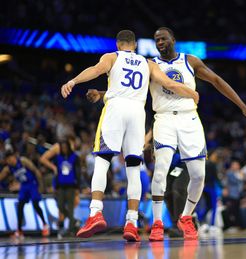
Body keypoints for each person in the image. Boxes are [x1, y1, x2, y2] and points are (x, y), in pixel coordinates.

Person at [86, 27, 246, 241]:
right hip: (164, 118)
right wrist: (102, 94)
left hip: (189, 118)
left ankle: (186, 216)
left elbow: (216, 81)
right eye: (156, 39)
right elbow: (130, 89)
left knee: (199, 175)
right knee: (160, 170)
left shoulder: (190, 61)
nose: (159, 42)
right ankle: (157, 223)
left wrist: (242, 106)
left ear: (173, 40)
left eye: (163, 38)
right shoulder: (150, 64)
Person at [60, 29, 199, 241]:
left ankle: (95, 212)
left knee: (103, 159)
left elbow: (96, 70)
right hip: (137, 113)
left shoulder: (112, 57)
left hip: (115, 109)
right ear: (134, 45)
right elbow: (169, 84)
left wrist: (73, 81)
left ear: (118, 44)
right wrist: (191, 93)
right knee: (134, 167)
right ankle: (132, 223)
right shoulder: (148, 63)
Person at [0, 150, 49, 238]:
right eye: (7, 160)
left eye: (10, 158)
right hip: (24, 186)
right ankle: (19, 230)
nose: (9, 161)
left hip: (32, 184)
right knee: (20, 206)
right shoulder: (8, 168)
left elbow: (36, 171)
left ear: (13, 156)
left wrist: (41, 186)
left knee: (35, 204)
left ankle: (45, 225)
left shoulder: (23, 161)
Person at [40, 140, 81, 237]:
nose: (64, 149)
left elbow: (77, 173)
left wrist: (77, 187)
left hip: (71, 186)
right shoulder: (58, 158)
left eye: (65, 147)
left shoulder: (75, 157)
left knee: (71, 209)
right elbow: (57, 173)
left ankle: (71, 230)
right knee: (60, 206)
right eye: (62, 147)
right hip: (61, 187)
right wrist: (55, 186)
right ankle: (74, 221)